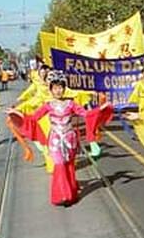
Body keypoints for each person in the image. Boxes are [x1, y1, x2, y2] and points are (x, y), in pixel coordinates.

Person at [8, 71, 110, 207]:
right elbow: (33, 118)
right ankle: (62, 195)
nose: (58, 90)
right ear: (50, 89)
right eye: (55, 88)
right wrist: (17, 114)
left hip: (70, 139)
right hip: (55, 139)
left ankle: (71, 193)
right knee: (60, 165)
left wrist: (101, 109)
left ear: (64, 88)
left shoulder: (71, 104)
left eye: (60, 87)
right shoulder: (47, 105)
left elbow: (86, 115)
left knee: (69, 165)